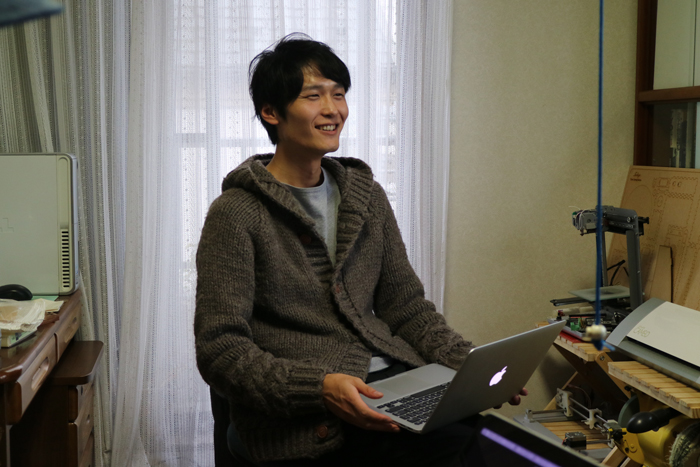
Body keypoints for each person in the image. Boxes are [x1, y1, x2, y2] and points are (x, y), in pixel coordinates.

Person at [194, 33, 526, 466]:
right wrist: (319, 388)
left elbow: (406, 307)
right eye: (313, 96)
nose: (333, 109)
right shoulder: (236, 214)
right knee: (464, 452)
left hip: (397, 386)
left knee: (503, 445)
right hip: (312, 414)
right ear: (271, 112)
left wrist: (469, 366)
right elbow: (220, 350)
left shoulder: (366, 197)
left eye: (339, 94)